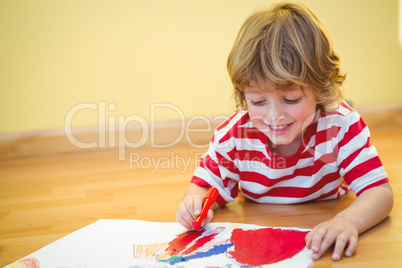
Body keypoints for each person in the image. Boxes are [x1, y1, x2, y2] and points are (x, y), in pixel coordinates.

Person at [175, 2, 393, 261]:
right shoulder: (234, 135)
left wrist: (347, 221)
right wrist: (193, 205)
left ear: (321, 90)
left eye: (290, 99)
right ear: (243, 96)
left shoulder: (341, 124)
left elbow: (379, 193)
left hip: (328, 207)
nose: (274, 116)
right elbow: (202, 186)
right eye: (257, 102)